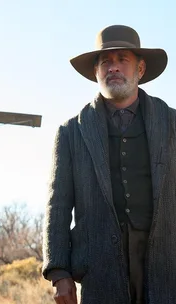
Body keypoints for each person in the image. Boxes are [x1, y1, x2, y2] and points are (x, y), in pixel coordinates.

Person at [42, 25, 176, 304]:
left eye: (122, 60)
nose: (113, 67)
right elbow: (58, 205)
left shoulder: (172, 123)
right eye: (106, 62)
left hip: (167, 263)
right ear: (96, 72)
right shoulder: (71, 132)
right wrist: (58, 271)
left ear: (140, 70)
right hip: (100, 269)